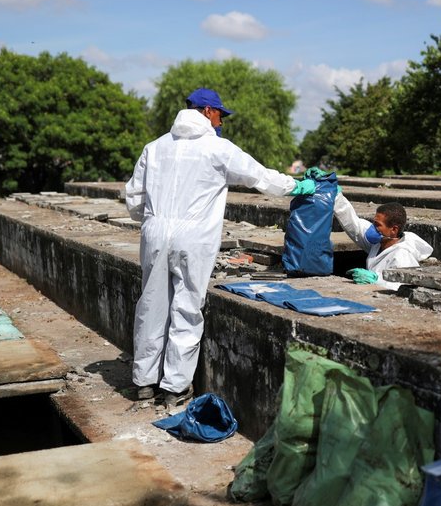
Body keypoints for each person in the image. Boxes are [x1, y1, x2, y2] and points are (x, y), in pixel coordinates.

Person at [125, 88, 315, 407]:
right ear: (209, 112)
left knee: (152, 304)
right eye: (221, 116)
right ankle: (174, 387)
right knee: (186, 306)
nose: (222, 122)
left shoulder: (154, 148)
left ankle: (144, 381)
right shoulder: (217, 148)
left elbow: (133, 198)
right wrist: (297, 185)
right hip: (193, 235)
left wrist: (153, 222)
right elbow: (261, 177)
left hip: (155, 231)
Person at [316, 168, 432, 290]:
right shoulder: (378, 244)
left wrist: (376, 279)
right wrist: (334, 193)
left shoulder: (402, 255)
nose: (373, 228)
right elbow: (353, 225)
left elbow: (404, 285)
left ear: (394, 230)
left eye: (378, 224)